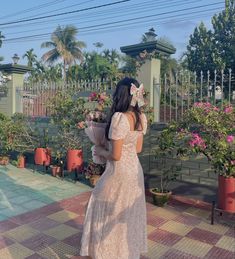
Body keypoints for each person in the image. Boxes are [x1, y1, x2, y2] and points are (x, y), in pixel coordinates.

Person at [80, 77, 148, 259]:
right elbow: (138, 149)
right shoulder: (141, 117)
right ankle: (125, 252)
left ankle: (106, 253)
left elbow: (116, 156)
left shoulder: (119, 118)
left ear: (120, 95)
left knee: (97, 202)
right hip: (135, 171)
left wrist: (100, 150)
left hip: (119, 172)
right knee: (126, 213)